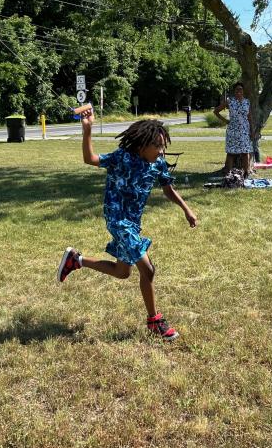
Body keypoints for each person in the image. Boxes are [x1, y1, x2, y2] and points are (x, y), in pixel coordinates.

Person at [57, 109, 198, 341]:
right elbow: (90, 159)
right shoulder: (122, 157)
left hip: (133, 223)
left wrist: (187, 209)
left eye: (163, 146)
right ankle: (155, 322)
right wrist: (88, 130)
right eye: (157, 146)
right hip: (117, 219)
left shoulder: (158, 164)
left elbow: (168, 189)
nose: (161, 151)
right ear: (142, 144)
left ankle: (76, 260)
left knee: (122, 272)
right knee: (148, 269)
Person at [213, 82, 253, 175]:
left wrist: (251, 130)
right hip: (232, 130)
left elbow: (249, 117)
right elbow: (216, 111)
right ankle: (228, 174)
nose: (239, 91)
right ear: (234, 91)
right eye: (237, 89)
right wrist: (226, 121)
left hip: (244, 130)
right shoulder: (230, 101)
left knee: (245, 152)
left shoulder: (247, 102)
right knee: (231, 153)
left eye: (240, 89)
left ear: (243, 91)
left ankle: (246, 173)